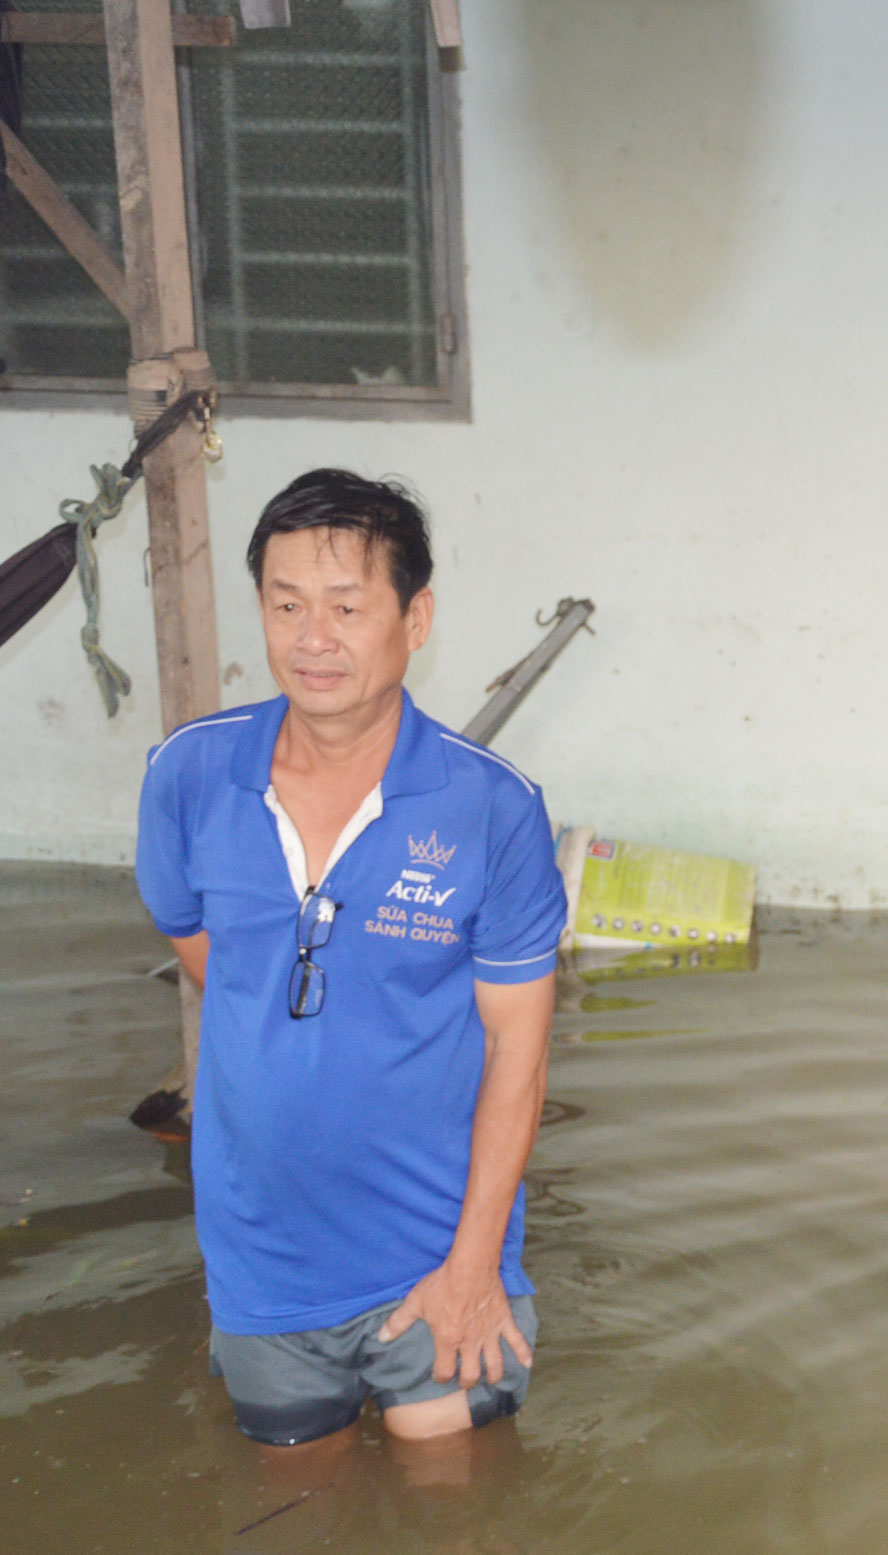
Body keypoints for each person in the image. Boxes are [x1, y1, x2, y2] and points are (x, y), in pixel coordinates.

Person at [136, 469, 568, 1448]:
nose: (311, 637)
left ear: (415, 619)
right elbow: (202, 941)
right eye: (285, 604)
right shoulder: (189, 775)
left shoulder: (490, 808)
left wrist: (470, 1271)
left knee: (458, 1533)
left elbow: (518, 1055)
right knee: (294, 1530)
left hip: (435, 1251)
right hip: (263, 1258)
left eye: (345, 605)